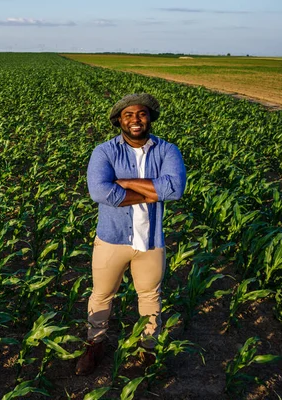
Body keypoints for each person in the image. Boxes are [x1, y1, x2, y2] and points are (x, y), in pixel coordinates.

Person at [75, 93, 187, 376]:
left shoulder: (167, 150)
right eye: (128, 115)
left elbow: (174, 190)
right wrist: (151, 190)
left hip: (151, 241)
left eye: (141, 114)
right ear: (119, 121)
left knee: (150, 296)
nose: (135, 120)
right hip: (111, 239)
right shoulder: (104, 151)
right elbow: (99, 191)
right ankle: (95, 345)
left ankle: (148, 349)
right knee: (101, 295)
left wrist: (123, 183)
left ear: (149, 118)